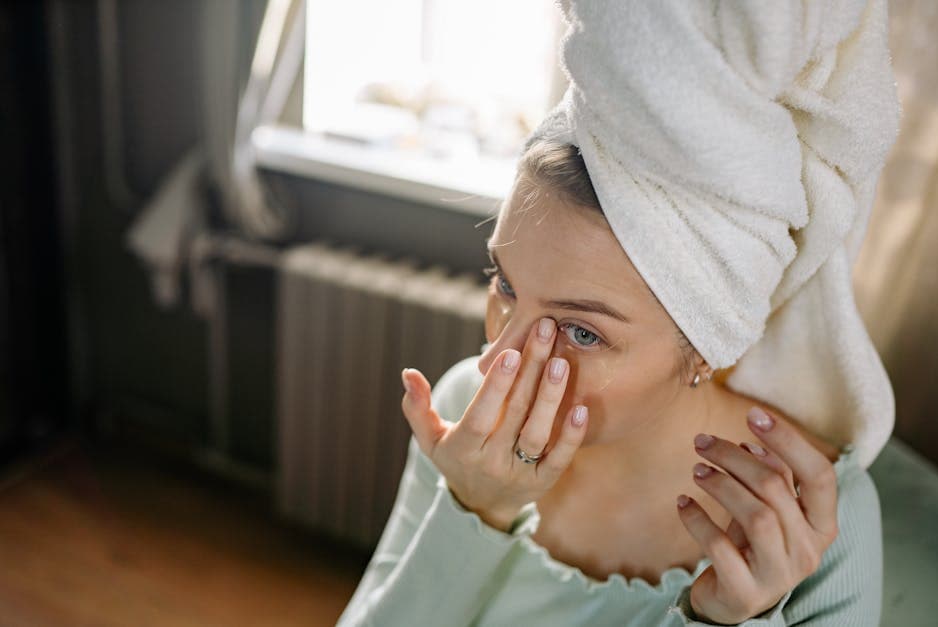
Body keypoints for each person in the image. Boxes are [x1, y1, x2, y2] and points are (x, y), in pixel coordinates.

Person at [338, 0, 896, 623]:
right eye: (506, 286)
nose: (498, 360)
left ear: (706, 349)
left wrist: (720, 620)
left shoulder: (809, 518)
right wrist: (472, 512)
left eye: (582, 332)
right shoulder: (466, 410)